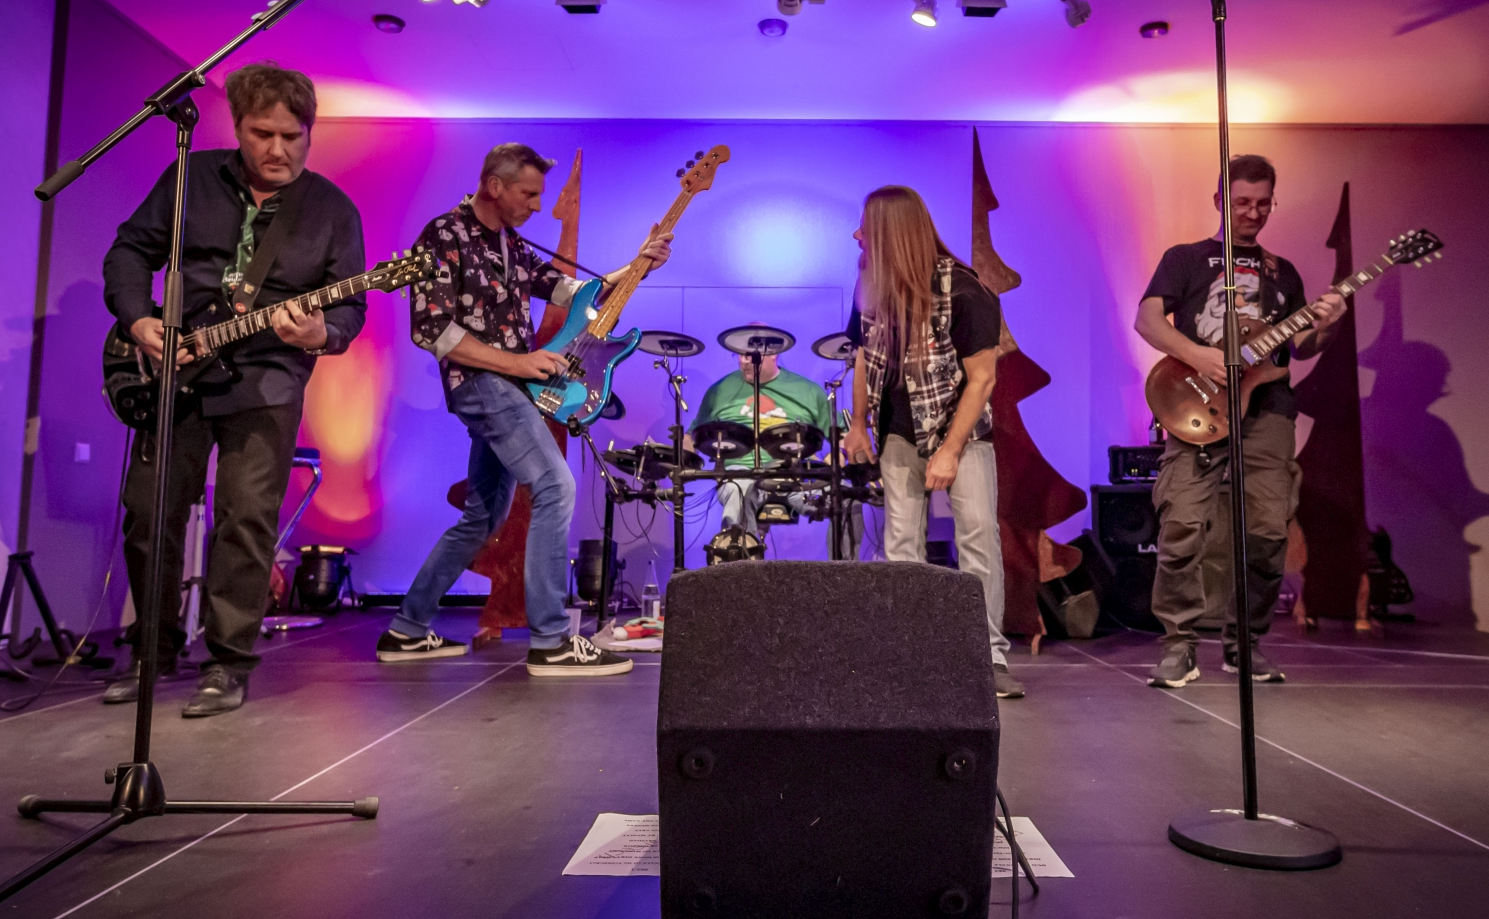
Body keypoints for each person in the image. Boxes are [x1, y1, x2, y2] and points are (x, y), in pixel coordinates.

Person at [101, 63, 365, 717]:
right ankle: (152, 652)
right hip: (174, 372)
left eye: (292, 136)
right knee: (149, 512)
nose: (277, 149)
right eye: (261, 134)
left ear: (310, 133)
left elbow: (349, 311)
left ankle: (226, 663)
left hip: (268, 380)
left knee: (244, 520)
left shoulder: (332, 210)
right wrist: (138, 319)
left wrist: (319, 333)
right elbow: (129, 251)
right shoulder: (189, 178)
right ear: (237, 127)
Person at [382, 143, 672, 674]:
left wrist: (639, 265)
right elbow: (431, 330)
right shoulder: (444, 235)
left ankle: (406, 628)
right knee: (555, 485)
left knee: (483, 516)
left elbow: (573, 291)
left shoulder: (511, 243)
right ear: (495, 186)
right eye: (529, 193)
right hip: (484, 384)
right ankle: (552, 640)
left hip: (507, 388)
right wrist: (517, 363)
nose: (538, 205)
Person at [1133, 154, 1345, 688]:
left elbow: (1301, 344)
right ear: (1220, 201)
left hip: (1268, 411)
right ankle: (1178, 646)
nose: (1252, 212)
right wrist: (1198, 356)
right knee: (1182, 524)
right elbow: (1147, 320)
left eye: (1262, 203)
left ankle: (1244, 643)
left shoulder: (1282, 272)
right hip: (1197, 407)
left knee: (1270, 531)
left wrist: (1329, 326)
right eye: (1242, 202)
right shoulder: (1185, 258)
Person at [846, 186, 1025, 699]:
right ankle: (910, 652)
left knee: (977, 538)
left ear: (893, 234)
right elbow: (862, 356)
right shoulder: (871, 284)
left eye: (866, 227)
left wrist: (949, 450)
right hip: (898, 432)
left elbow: (983, 380)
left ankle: (987, 655)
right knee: (902, 544)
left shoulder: (964, 291)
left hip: (960, 432)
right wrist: (858, 424)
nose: (857, 235)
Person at [693, 341, 835, 542]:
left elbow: (840, 437)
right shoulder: (718, 391)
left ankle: (845, 562)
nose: (743, 361)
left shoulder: (808, 391)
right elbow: (694, 435)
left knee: (846, 498)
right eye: (739, 355)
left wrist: (839, 461)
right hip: (740, 473)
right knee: (736, 491)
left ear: (773, 353)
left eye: (749, 355)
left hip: (794, 475)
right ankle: (740, 557)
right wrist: (682, 460)